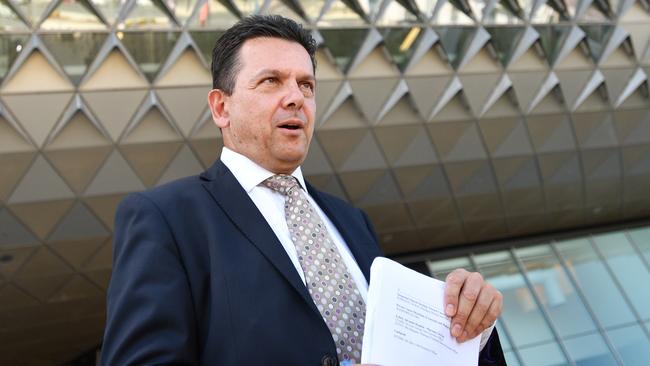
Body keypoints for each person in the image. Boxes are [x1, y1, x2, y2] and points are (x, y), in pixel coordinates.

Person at [100, 15, 506, 366]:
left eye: (306, 85)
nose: (296, 98)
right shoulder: (165, 218)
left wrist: (469, 327)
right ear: (221, 108)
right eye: (271, 81)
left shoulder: (351, 220)